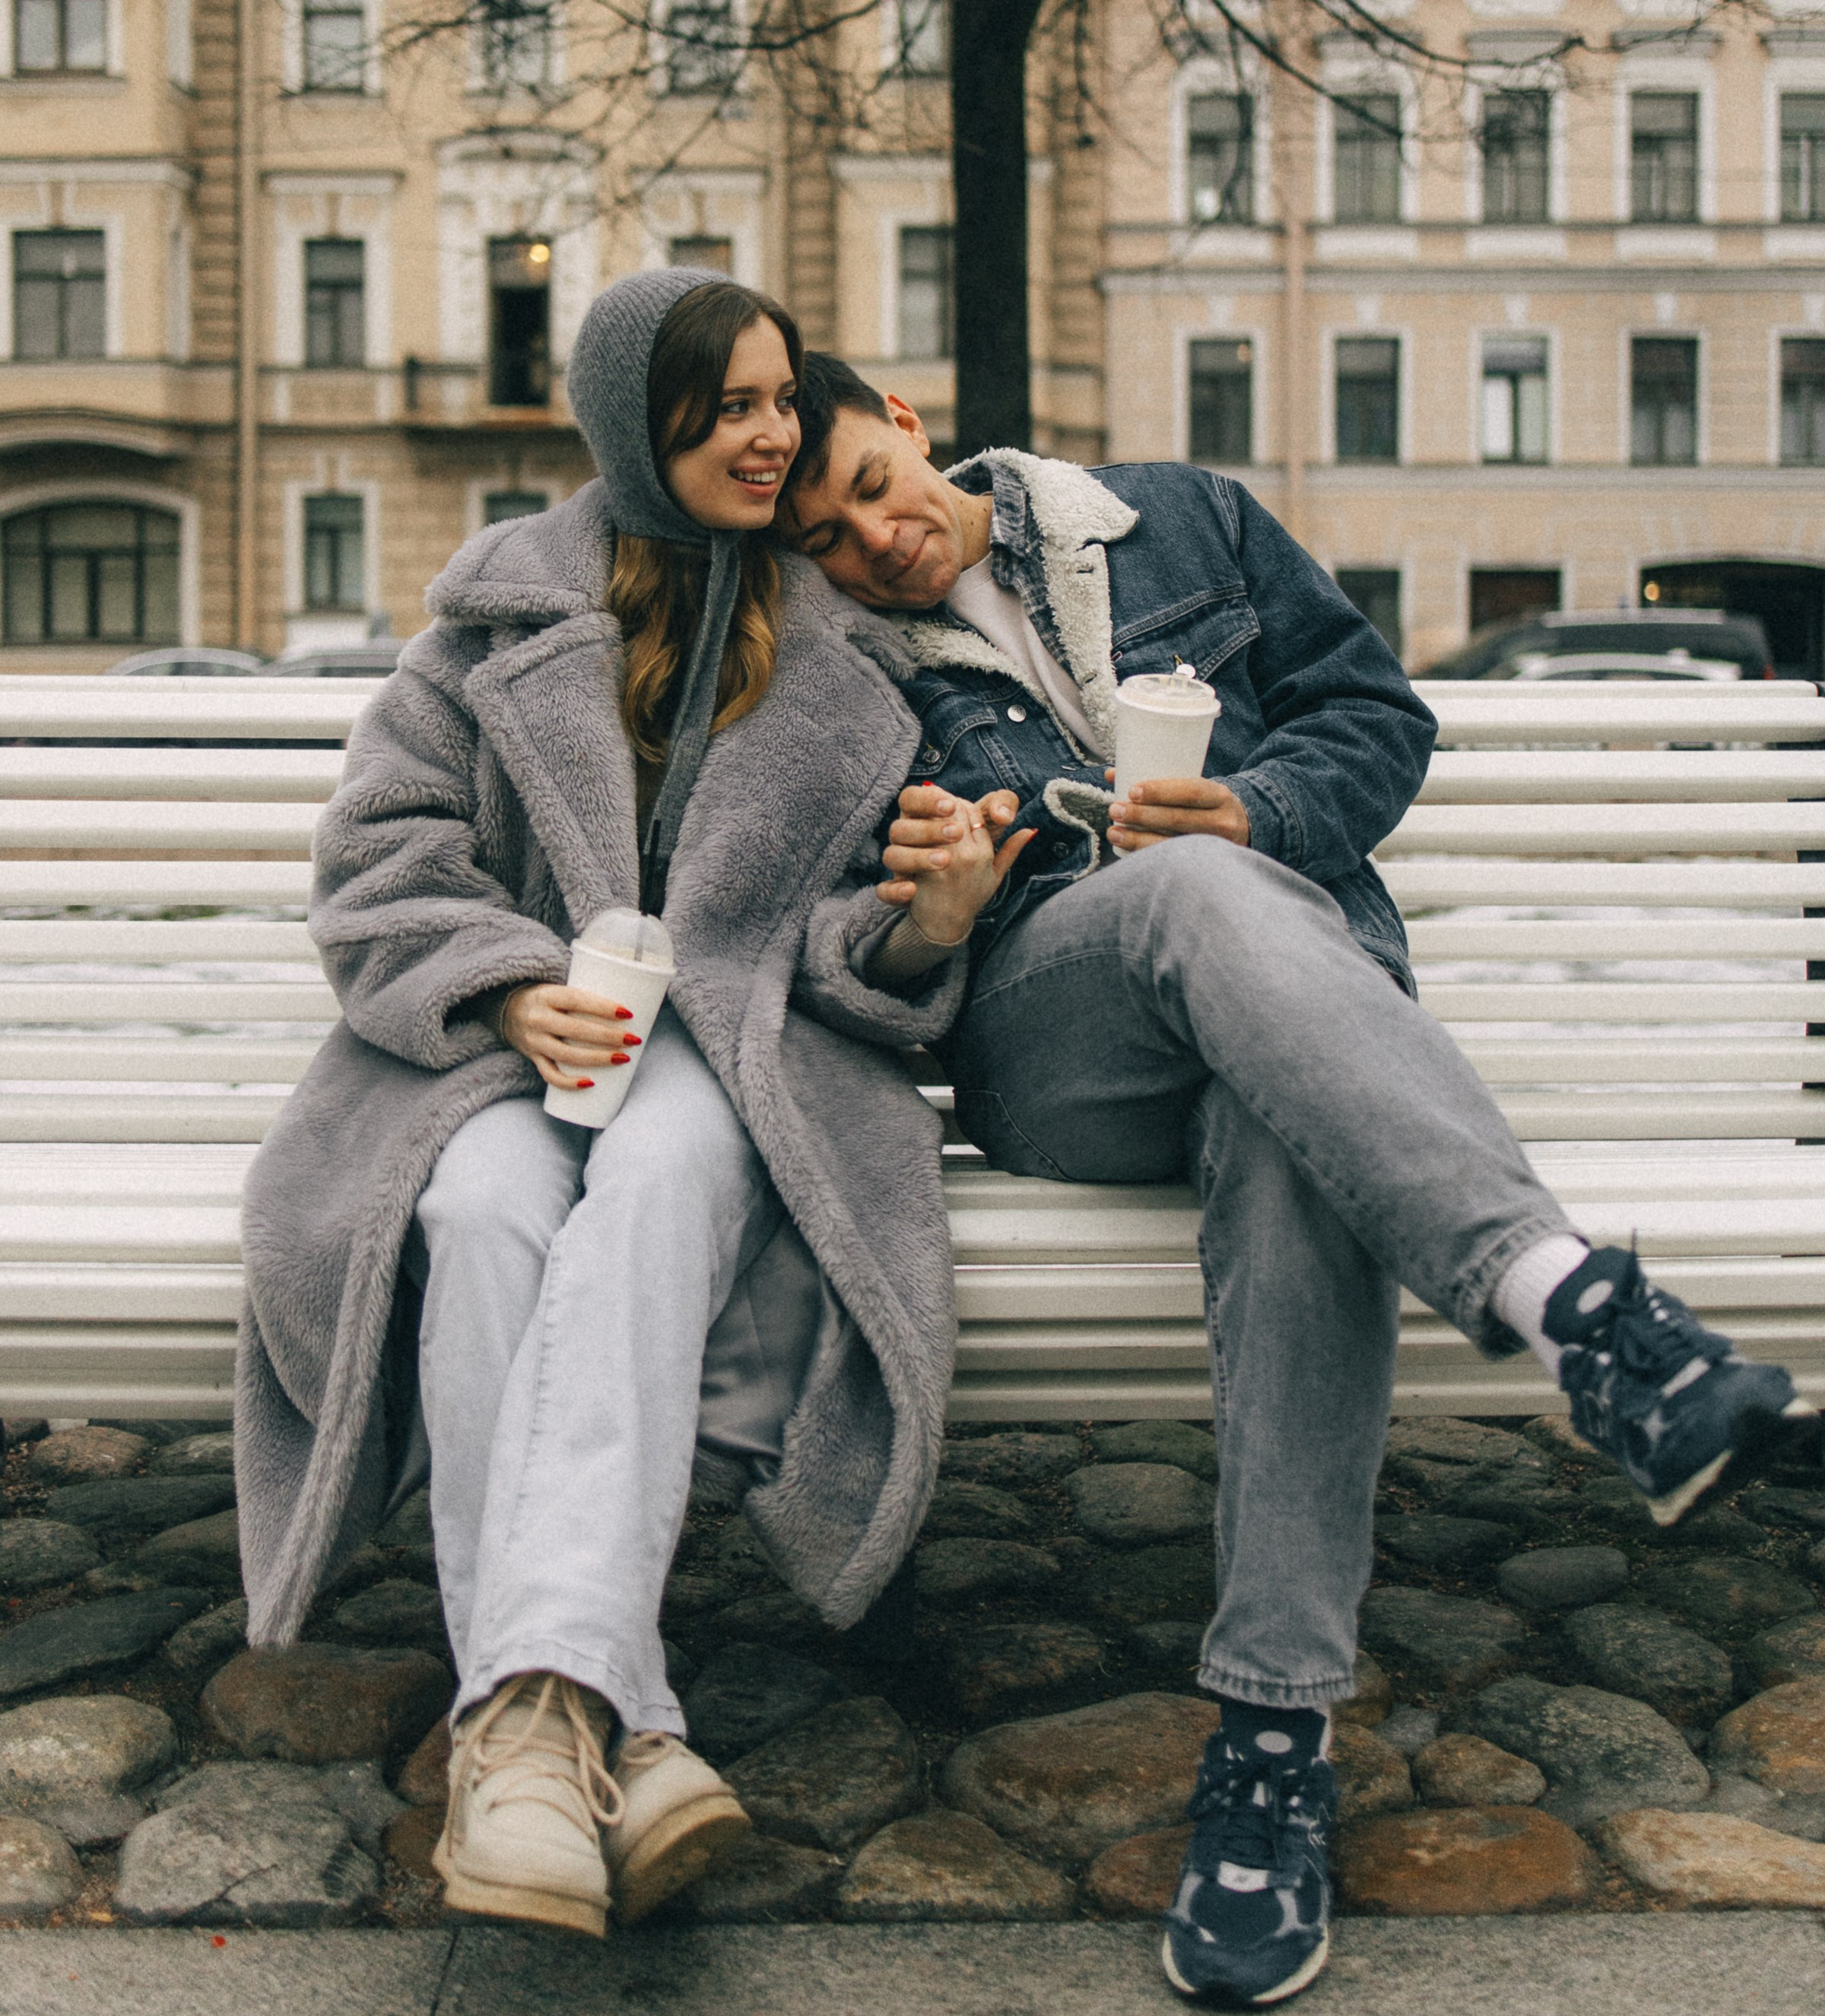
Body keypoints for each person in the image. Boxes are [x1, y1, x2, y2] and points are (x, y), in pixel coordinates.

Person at [780, 354, 1818, 2011]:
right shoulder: (838, 676)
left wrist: (1259, 809)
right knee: (1192, 897)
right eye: (827, 535)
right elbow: (845, 941)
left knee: (1284, 1127)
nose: (875, 539)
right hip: (1063, 1040)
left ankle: (1270, 1748)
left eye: (866, 481)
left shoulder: (1180, 518)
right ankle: (1584, 1316)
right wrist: (943, 904)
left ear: (905, 418)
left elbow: (1375, 720)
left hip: (1291, 1013)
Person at [234, 270, 1020, 1942]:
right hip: (523, 1046)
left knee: (662, 1172)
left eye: (778, 402)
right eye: (725, 408)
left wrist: (923, 923)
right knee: (469, 1209)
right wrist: (512, 987)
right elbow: (379, 860)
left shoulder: (845, 645)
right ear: (635, 430)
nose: (770, 433)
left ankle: (521, 1739)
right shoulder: (496, 622)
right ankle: (619, 1722)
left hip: (748, 1052)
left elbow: (841, 941)